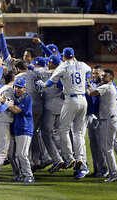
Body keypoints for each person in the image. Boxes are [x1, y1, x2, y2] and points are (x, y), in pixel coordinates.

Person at [39, 47, 91, 179]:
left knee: (63, 130)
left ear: (63, 57)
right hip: (83, 100)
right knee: (79, 133)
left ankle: (69, 158)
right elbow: (89, 73)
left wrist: (42, 84)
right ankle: (80, 158)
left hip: (71, 101)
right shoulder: (82, 65)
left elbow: (49, 83)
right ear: (73, 56)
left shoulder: (62, 67)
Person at [87, 69, 117, 182]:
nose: (102, 77)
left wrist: (88, 86)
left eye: (105, 76)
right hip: (116, 119)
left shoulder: (106, 87)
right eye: (101, 76)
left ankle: (114, 174)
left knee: (107, 148)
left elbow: (92, 93)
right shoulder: (113, 87)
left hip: (109, 121)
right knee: (116, 144)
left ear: (110, 78)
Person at [2, 78, 35, 183]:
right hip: (14, 129)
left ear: (24, 88)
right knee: (11, 154)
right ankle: (18, 175)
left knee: (21, 154)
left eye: (20, 87)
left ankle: (29, 176)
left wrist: (5, 102)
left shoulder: (27, 98)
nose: (17, 89)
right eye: (16, 86)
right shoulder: (14, 96)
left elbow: (16, 110)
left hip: (25, 129)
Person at [85, 65, 108, 178]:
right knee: (93, 145)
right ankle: (96, 169)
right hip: (91, 117)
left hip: (101, 117)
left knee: (101, 146)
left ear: (102, 74)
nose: (94, 75)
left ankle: (104, 170)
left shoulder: (106, 85)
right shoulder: (90, 83)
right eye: (93, 73)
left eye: (97, 73)